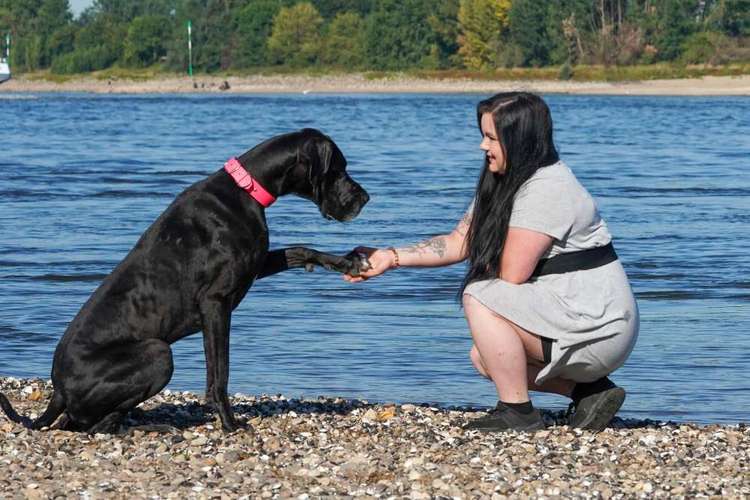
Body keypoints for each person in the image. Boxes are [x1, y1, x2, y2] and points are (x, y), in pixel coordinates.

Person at [344, 92, 639, 433]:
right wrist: (390, 257)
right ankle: (589, 392)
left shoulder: (547, 189)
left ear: (520, 140)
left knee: (480, 293)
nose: (483, 147)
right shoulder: (508, 181)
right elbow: (459, 242)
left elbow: (512, 274)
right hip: (577, 320)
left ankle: (518, 413)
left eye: (491, 138)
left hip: (599, 328)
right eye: (483, 136)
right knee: (487, 357)